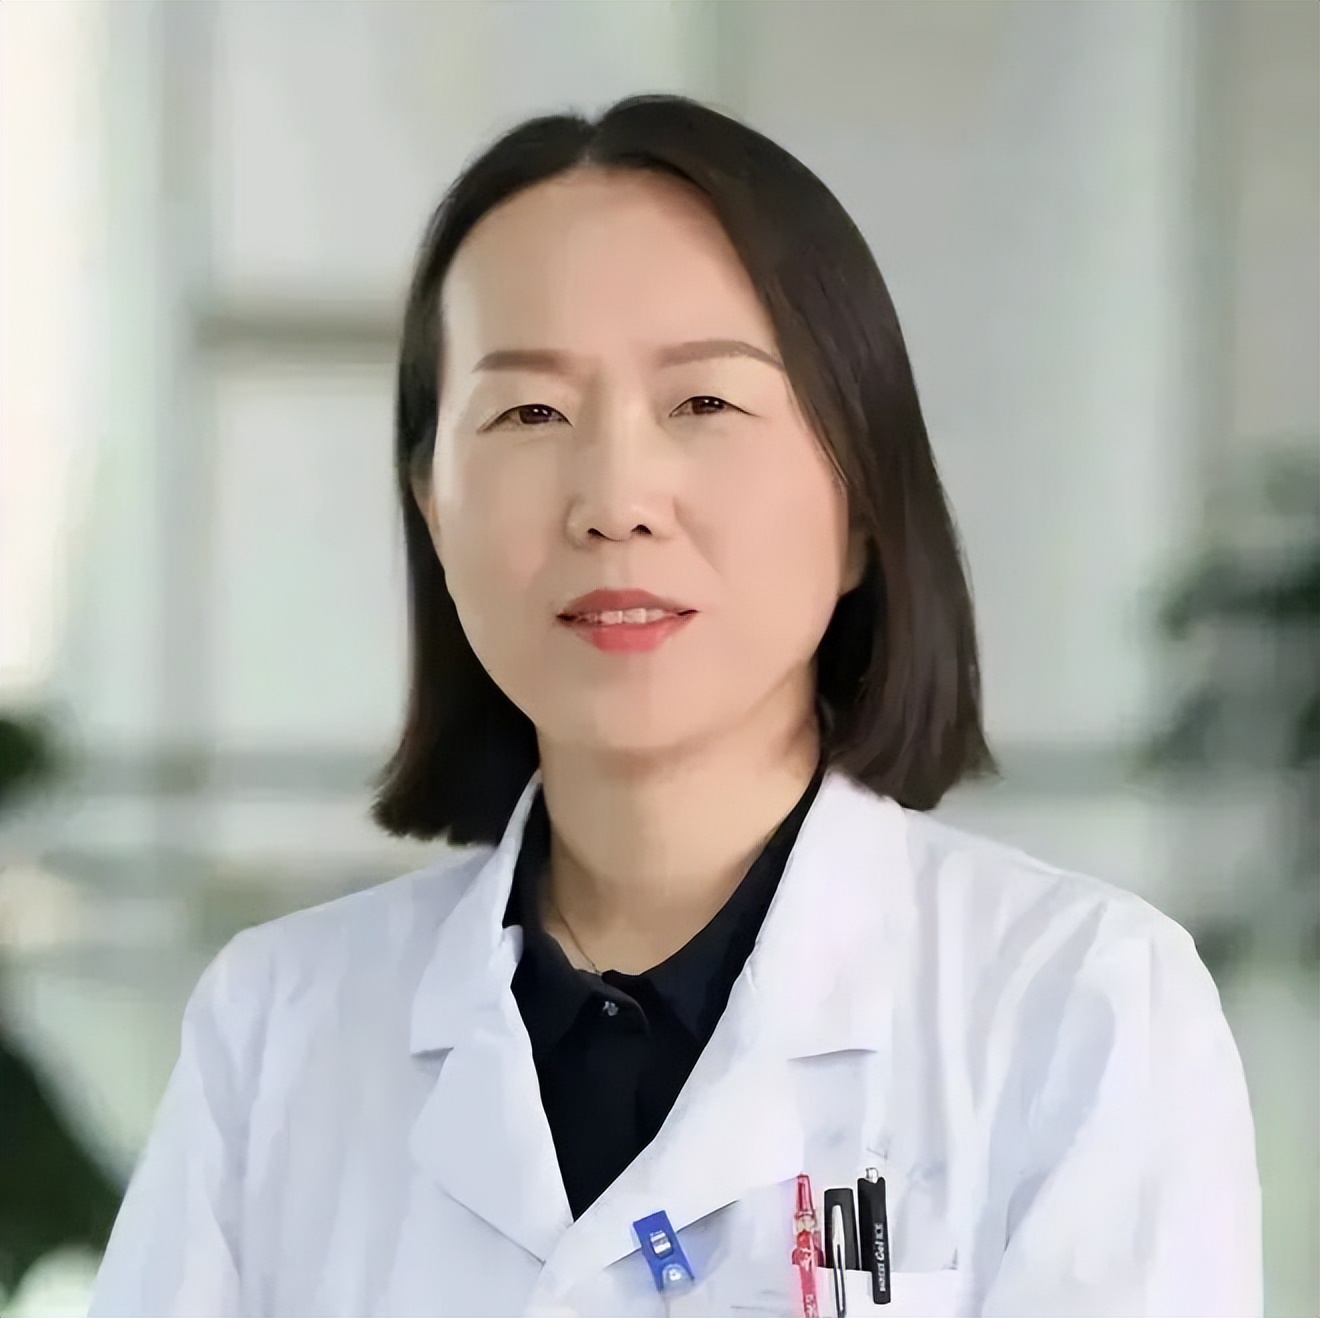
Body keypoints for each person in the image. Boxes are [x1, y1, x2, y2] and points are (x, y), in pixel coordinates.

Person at [86, 93, 1262, 1318]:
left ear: (861, 503)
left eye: (704, 403)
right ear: (432, 507)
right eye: (529, 412)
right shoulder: (277, 1028)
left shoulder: (1081, 1009)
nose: (616, 500)